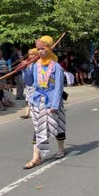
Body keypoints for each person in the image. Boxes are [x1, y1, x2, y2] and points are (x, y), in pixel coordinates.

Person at [22, 36, 66, 169]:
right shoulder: (35, 65)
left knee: (57, 126)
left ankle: (61, 149)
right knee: (39, 128)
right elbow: (29, 82)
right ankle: (36, 157)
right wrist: (25, 68)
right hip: (37, 100)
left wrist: (54, 105)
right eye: (39, 49)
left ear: (49, 48)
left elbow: (59, 87)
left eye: (43, 48)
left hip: (52, 100)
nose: (40, 51)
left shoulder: (56, 66)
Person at [21, 48, 38, 119]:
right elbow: (26, 78)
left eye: (32, 54)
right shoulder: (30, 64)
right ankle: (27, 113)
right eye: (29, 54)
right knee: (27, 100)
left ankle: (33, 113)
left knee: (33, 100)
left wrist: (26, 68)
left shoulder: (37, 64)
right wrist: (23, 68)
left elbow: (32, 78)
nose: (30, 56)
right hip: (29, 85)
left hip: (35, 85)